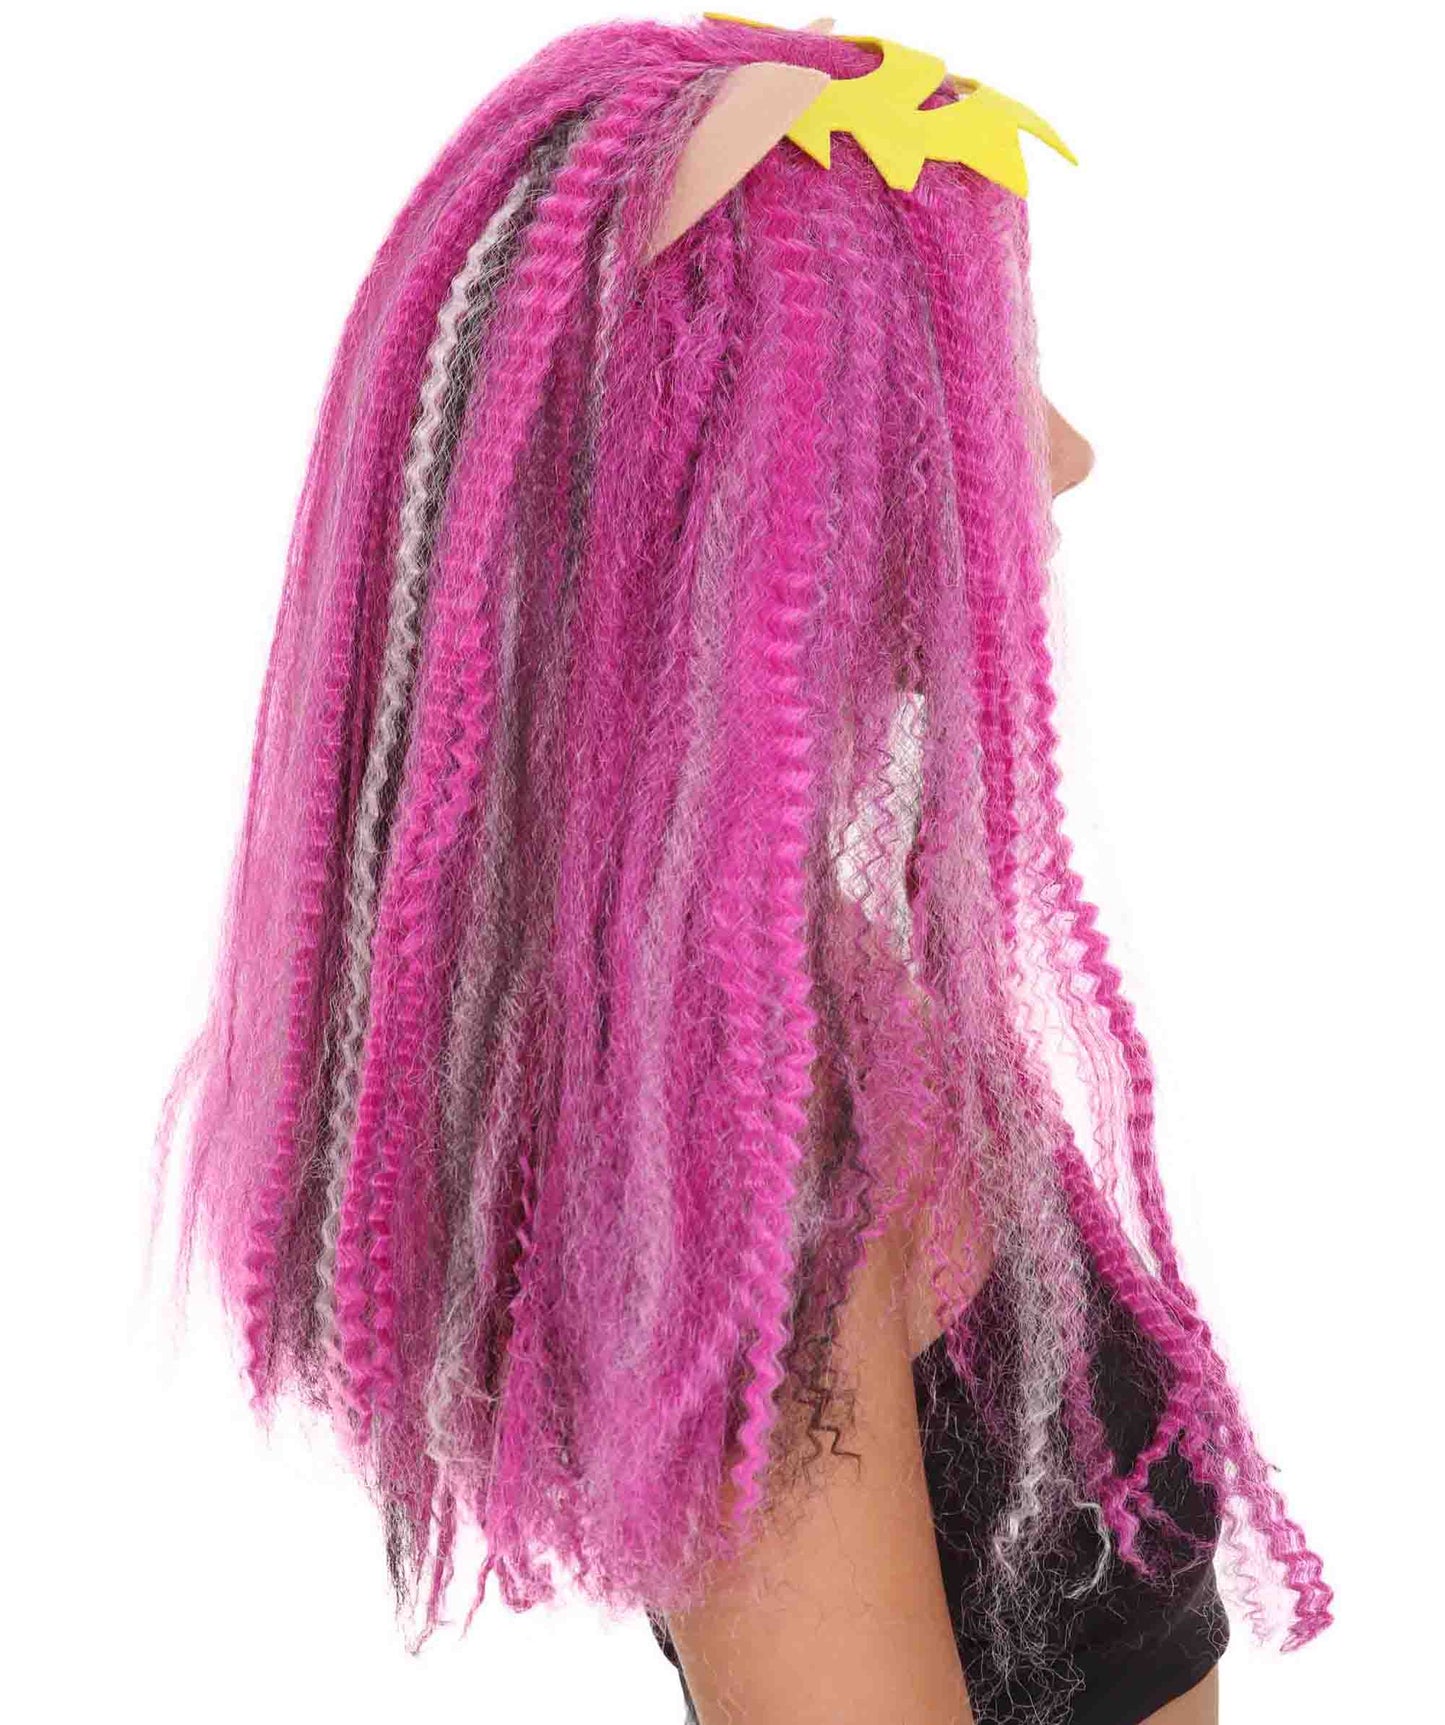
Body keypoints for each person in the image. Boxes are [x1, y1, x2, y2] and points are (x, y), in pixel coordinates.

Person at [155, 16, 1332, 1723]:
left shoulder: (771, 992)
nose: (1059, 451)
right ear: (769, 493)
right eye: (976, 376)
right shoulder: (763, 1098)